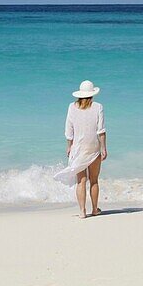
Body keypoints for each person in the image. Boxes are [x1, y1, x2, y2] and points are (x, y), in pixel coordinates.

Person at [54, 80, 107, 218]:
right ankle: (95, 209)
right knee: (94, 180)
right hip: (93, 147)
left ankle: (82, 211)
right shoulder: (98, 107)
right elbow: (101, 130)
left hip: (78, 147)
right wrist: (104, 148)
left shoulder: (72, 107)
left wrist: (69, 146)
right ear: (92, 94)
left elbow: (69, 128)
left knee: (81, 180)